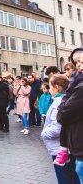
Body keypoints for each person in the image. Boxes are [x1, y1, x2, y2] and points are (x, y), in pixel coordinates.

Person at [41, 74, 80, 183]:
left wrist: (44, 133)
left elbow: (58, 127)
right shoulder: (67, 99)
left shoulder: (59, 102)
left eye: (50, 86)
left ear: (57, 87)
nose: (49, 90)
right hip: (65, 147)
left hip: (59, 148)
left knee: (65, 179)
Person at [57, 48, 83, 182]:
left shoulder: (79, 88)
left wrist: (66, 97)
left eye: (82, 61)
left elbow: (62, 115)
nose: (79, 65)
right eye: (77, 62)